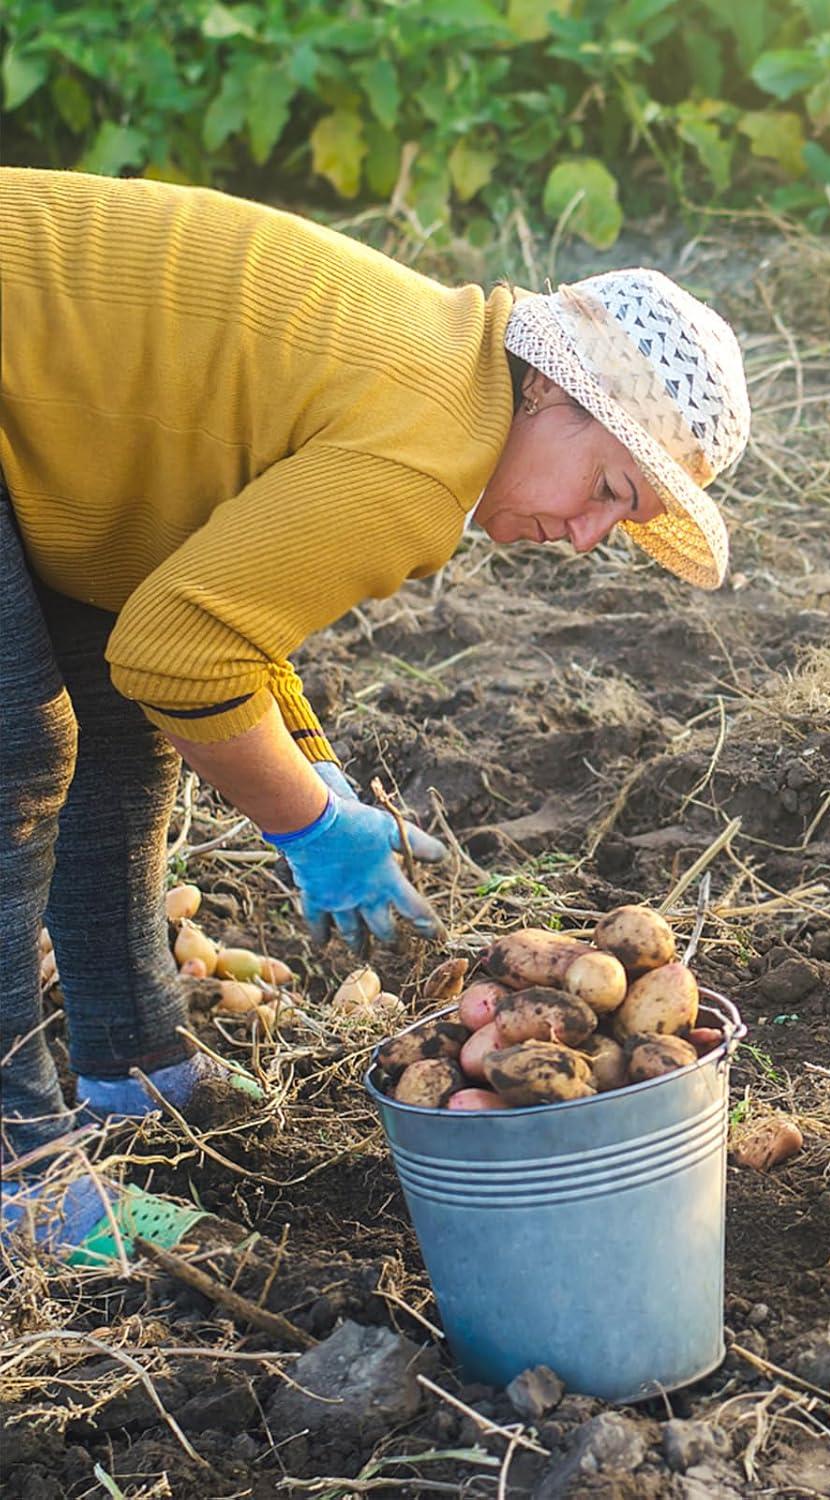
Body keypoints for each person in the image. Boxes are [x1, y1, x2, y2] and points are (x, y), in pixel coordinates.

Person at [0, 167, 750, 1259]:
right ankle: (19, 1177)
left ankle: (137, 1069)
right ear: (552, 391)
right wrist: (305, 823)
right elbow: (180, 658)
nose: (588, 538)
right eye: (605, 491)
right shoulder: (423, 458)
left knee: (114, 734)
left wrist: (307, 756)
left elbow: (208, 605)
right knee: (15, 756)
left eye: (619, 521)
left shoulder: (438, 371)